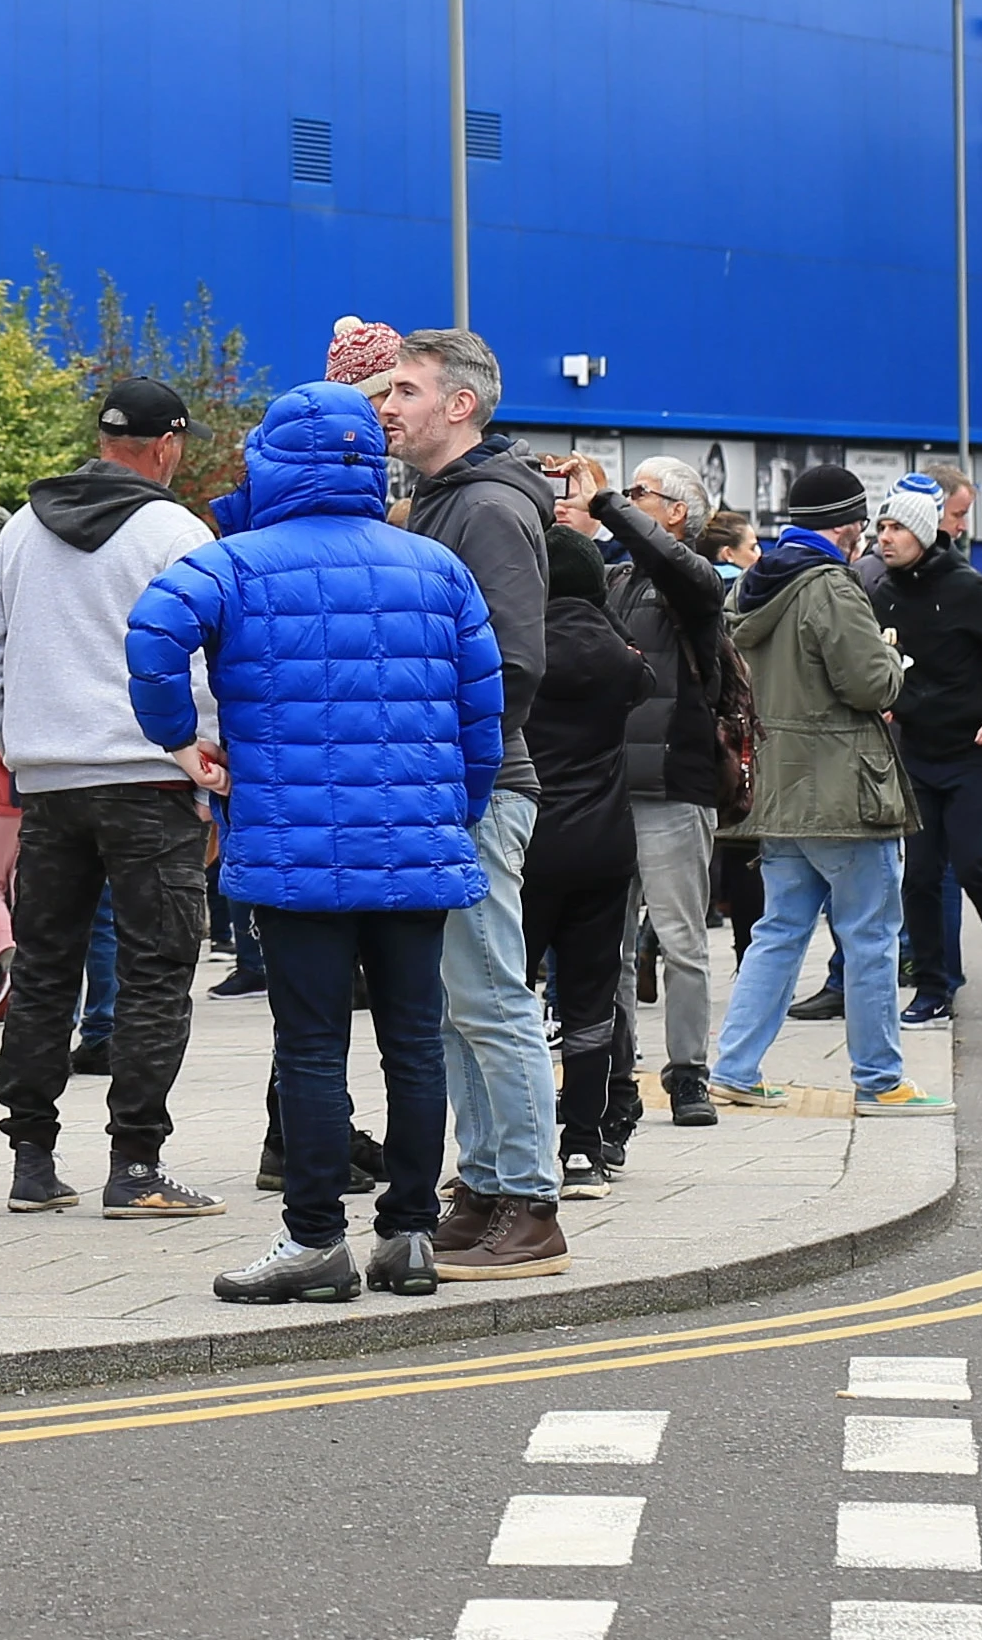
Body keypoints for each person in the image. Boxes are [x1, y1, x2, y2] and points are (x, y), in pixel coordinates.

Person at [127, 383, 502, 1306]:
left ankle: (315, 1242)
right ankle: (411, 1236)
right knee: (415, 1041)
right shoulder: (435, 567)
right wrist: (455, 810)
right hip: (417, 844)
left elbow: (150, 637)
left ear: (271, 463)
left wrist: (183, 746)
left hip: (293, 848)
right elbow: (484, 720)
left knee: (310, 1046)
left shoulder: (234, 565)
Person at [0, 379, 223, 1216]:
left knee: (45, 969)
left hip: (50, 786)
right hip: (148, 780)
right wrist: (202, 766)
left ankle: (32, 1163)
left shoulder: (20, 529)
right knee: (157, 970)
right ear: (167, 445)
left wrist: (27, 748)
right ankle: (136, 1166)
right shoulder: (176, 532)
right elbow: (202, 664)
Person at [365, 329, 567, 1276]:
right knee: (458, 1004)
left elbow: (516, 663)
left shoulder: (483, 507)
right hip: (452, 786)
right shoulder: (444, 502)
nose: (387, 405)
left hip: (475, 787)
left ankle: (530, 1202)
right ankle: (484, 1186)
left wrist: (457, 778)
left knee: (489, 998)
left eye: (405, 389)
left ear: (462, 405)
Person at [709, 466, 943, 1118]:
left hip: (779, 787)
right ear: (846, 527)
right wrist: (893, 663)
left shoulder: (753, 587)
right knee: (871, 935)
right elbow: (869, 685)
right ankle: (881, 1081)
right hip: (843, 791)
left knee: (779, 931)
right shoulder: (830, 586)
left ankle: (733, 1066)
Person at [861, 477, 982, 1032]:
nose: (885, 538)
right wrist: (889, 701)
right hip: (919, 752)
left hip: (974, 752)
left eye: (895, 528)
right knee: (918, 876)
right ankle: (933, 986)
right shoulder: (883, 594)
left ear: (921, 533)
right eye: (881, 528)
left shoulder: (967, 588)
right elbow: (884, 663)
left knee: (971, 865)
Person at [578, 462, 733, 1130]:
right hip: (612, 785)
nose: (629, 501)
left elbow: (671, 563)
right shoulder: (614, 581)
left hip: (676, 783)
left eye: (641, 493)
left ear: (677, 513)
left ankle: (689, 1072)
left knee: (681, 940)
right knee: (607, 946)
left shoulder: (694, 582)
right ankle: (619, 1072)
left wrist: (608, 503)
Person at [523, 527, 662, 1191]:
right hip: (605, 849)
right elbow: (643, 675)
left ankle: (511, 1148)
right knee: (590, 1005)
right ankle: (583, 1148)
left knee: (507, 1003)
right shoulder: (622, 661)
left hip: (526, 847)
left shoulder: (516, 652)